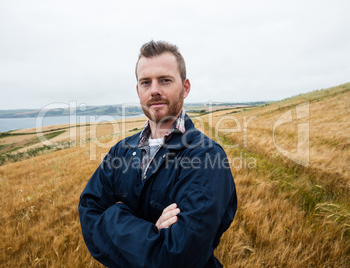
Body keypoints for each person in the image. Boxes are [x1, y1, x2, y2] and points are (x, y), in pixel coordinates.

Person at [79, 40, 237, 267]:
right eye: (146, 82)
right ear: (138, 91)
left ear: (185, 87)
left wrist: (113, 215)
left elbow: (178, 257)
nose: (154, 90)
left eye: (165, 80)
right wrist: (153, 232)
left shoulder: (207, 157)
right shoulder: (121, 151)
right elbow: (88, 211)